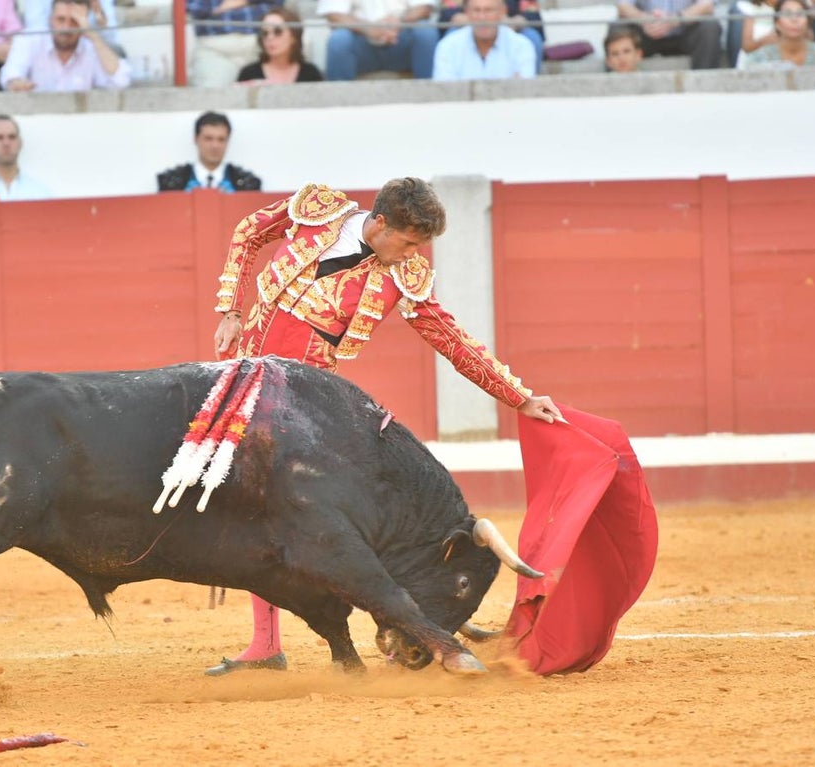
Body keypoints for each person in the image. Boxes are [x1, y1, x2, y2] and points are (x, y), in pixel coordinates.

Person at [206, 177, 562, 676]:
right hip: (238, 375)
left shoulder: (404, 277)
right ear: (379, 223)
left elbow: (452, 341)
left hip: (298, 400)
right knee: (248, 505)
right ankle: (268, 644)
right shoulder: (318, 209)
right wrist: (230, 310)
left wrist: (518, 397)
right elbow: (248, 231)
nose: (414, 255)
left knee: (274, 505)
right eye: (410, 242)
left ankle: (301, 637)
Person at [0, 0, 130, 91]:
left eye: (74, 21)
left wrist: (94, 36)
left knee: (115, 51)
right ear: (50, 19)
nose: (66, 28)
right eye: (61, 19)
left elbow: (121, 81)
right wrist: (15, 83)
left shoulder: (90, 48)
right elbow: (10, 75)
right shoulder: (29, 41)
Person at [318, 0, 439, 80]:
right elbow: (334, 14)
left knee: (425, 32)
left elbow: (424, 7)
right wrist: (369, 29)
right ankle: (339, 106)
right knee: (339, 40)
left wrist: (398, 23)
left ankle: (430, 99)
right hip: (360, 39)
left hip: (401, 37)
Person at [156, 111, 262, 193]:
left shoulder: (249, 184)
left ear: (227, 142)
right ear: (196, 139)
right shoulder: (170, 183)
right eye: (208, 138)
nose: (215, 146)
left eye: (221, 139)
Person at [432, 0, 538, 80]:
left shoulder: (522, 46)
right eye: (476, 10)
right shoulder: (447, 46)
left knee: (533, 36)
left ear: (502, 12)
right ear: (467, 12)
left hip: (509, 109)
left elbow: (523, 94)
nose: (482, 17)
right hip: (460, 109)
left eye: (488, 10)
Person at [187, 0, 275, 86]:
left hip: (260, 49)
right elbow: (196, 8)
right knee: (211, 96)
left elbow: (278, 5)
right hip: (215, 51)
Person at [615, 0, 722, 69]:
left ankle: (704, 89)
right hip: (646, 33)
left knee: (710, 27)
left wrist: (675, 20)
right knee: (617, 28)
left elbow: (707, 5)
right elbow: (623, 6)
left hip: (685, 32)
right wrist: (645, 19)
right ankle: (617, 89)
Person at [741, 0, 815, 67]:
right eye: (787, 14)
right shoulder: (757, 60)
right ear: (777, 23)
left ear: (808, 22)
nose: (794, 19)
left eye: (800, 14)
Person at [237, 6, 325, 83]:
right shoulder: (248, 74)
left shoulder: (311, 74)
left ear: (293, 37)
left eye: (278, 32)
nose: (270, 37)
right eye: (265, 33)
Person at [22, 0, 124, 55]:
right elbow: (36, 31)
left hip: (90, 50)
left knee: (116, 52)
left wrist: (98, 12)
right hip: (53, 49)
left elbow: (111, 38)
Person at [727, 0, 777, 68]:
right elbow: (747, 47)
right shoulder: (751, 10)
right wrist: (765, 40)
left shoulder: (787, 10)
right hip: (754, 62)